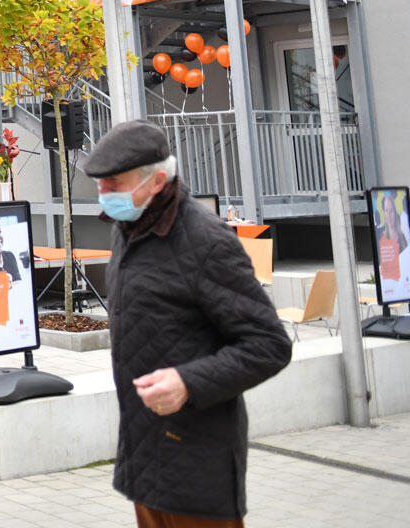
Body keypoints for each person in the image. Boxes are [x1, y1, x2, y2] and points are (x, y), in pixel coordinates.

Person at [84, 121, 292, 528]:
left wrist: (188, 382)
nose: (104, 195)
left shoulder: (206, 240)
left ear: (158, 181)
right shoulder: (128, 228)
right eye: (100, 184)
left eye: (114, 184)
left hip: (196, 458)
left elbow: (269, 344)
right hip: (144, 449)